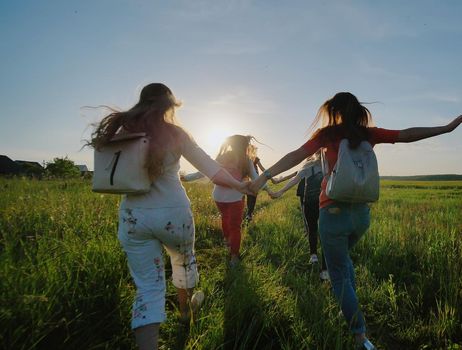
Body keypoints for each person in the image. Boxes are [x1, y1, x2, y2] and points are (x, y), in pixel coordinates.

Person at [250, 92, 462, 349]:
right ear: (358, 111)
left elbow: (295, 156)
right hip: (361, 217)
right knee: (345, 263)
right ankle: (352, 310)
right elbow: (407, 134)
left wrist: (262, 177)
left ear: (335, 111)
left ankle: (360, 336)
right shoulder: (369, 134)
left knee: (339, 274)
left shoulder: (328, 134)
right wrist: (447, 128)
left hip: (332, 213)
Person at [88, 83, 250, 350]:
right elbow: (211, 168)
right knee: (183, 264)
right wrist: (241, 185)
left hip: (133, 216)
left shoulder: (123, 130)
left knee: (148, 290)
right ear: (169, 105)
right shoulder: (176, 133)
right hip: (173, 214)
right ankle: (186, 312)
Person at [184, 135, 274, 266]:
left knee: (225, 218)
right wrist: (269, 190)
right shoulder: (246, 160)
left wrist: (187, 177)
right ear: (244, 146)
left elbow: (204, 170)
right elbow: (256, 178)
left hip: (219, 197)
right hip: (235, 198)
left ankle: (228, 241)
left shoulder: (222, 157)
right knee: (235, 226)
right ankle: (234, 256)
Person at [269, 150, 329, 280]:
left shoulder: (308, 166)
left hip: (310, 201)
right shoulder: (329, 165)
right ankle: (325, 270)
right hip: (325, 203)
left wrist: (280, 192)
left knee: (312, 229)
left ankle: (313, 256)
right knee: (325, 234)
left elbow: (294, 180)